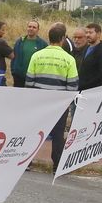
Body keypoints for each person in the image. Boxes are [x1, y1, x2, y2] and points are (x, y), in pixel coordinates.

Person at [26, 23, 79, 170]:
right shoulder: (69, 59)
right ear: (62, 39)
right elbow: (73, 85)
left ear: (49, 38)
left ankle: (26, 162)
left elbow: (29, 80)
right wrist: (67, 101)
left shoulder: (37, 56)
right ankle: (57, 163)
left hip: (39, 101)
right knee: (57, 134)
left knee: (35, 131)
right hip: (59, 103)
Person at [10, 19, 47, 87]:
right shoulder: (19, 42)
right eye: (29, 26)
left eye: (34, 27)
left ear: (38, 30)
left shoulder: (43, 44)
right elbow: (13, 57)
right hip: (19, 77)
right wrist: (14, 71)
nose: (31, 29)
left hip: (35, 78)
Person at [77, 23, 102, 91]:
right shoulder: (86, 47)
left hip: (93, 91)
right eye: (86, 32)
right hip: (81, 89)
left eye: (90, 32)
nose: (88, 35)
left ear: (98, 34)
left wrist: (88, 85)